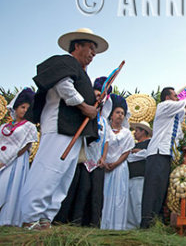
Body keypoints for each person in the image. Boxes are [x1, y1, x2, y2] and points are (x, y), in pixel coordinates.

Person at [20, 28, 108, 230]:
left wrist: (92, 101)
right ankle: (30, 216)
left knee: (62, 177)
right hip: (60, 126)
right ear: (77, 46)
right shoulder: (65, 62)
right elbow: (63, 86)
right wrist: (84, 106)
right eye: (90, 48)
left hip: (74, 131)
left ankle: (45, 219)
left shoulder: (82, 72)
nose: (93, 54)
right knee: (48, 171)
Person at [140, 87, 186, 228]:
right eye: (174, 96)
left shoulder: (174, 114)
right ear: (167, 98)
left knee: (161, 190)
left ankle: (157, 223)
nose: (177, 98)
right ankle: (146, 224)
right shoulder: (164, 106)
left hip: (166, 155)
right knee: (153, 190)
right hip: (157, 153)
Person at [54, 76, 112, 227]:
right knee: (80, 191)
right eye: (97, 95)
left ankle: (93, 225)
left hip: (97, 162)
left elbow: (106, 140)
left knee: (96, 195)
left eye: (102, 97)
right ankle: (72, 222)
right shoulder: (83, 115)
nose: (100, 99)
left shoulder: (104, 121)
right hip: (82, 160)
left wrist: (103, 158)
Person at [0, 88, 37, 226]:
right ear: (15, 108)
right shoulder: (4, 126)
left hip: (16, 163)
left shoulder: (30, 127)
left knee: (11, 189)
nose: (24, 110)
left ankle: (8, 219)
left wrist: (7, 160)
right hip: (2, 159)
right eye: (22, 107)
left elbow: (25, 147)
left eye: (28, 108)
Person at [101, 94, 135, 230]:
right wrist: (105, 163)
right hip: (105, 167)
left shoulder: (127, 133)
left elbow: (127, 151)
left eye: (122, 113)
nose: (120, 115)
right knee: (105, 195)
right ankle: (104, 225)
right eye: (117, 112)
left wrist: (115, 164)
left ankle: (118, 227)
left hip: (120, 168)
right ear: (111, 114)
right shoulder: (105, 129)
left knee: (119, 197)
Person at [127, 121, 152, 229]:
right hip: (131, 176)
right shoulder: (133, 145)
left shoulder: (149, 143)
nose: (134, 133)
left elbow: (148, 154)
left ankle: (139, 224)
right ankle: (131, 225)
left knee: (138, 202)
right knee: (131, 202)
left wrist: (138, 152)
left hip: (141, 176)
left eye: (137, 131)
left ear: (143, 132)